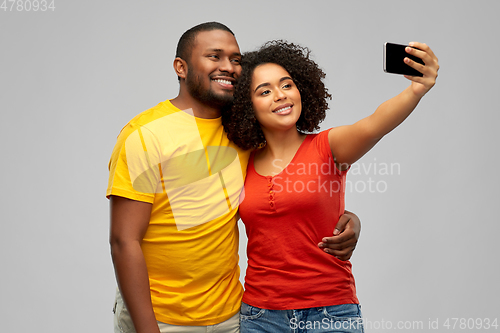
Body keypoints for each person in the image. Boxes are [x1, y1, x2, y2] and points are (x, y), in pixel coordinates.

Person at [107, 23, 361, 333]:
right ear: (181, 67)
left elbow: (289, 192)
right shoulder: (144, 135)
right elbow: (123, 240)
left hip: (231, 316)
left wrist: (346, 218)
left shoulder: (244, 135)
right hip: (160, 318)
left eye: (236, 59)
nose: (228, 67)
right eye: (214, 56)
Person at [222, 40, 439, 332]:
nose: (280, 96)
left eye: (287, 85)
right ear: (247, 105)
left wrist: (416, 90)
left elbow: (375, 124)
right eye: (265, 91)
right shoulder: (240, 161)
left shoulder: (328, 147)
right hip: (261, 317)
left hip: (330, 313)